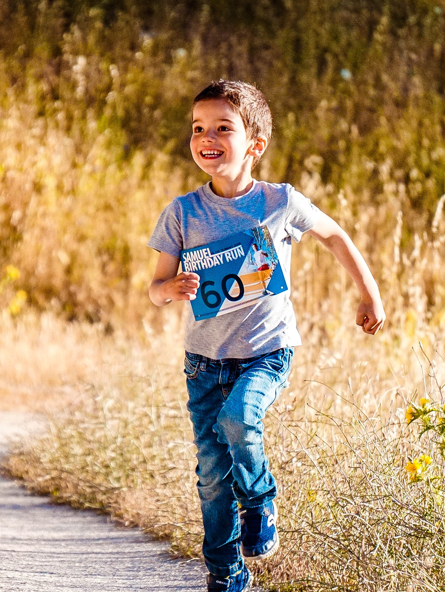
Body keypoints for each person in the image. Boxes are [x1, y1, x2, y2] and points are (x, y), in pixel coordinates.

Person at [147, 80, 385, 592]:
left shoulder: (280, 202)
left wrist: (370, 295)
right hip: (204, 362)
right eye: (198, 128)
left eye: (222, 128)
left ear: (255, 144)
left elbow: (335, 235)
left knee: (240, 419)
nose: (206, 137)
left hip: (266, 353)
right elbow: (155, 290)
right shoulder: (183, 213)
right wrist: (172, 286)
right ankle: (227, 574)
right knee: (211, 477)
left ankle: (259, 499)